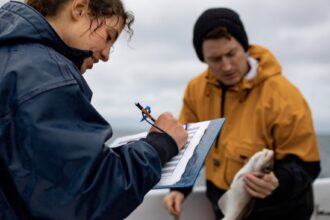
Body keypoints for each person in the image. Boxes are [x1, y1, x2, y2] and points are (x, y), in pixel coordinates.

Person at [0, 0, 188, 219]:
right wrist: (160, 144)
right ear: (79, 9)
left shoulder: (11, 58)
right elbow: (87, 196)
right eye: (108, 36)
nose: (106, 55)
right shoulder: (46, 77)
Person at [163, 7, 321, 220]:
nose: (227, 66)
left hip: (279, 209)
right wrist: (179, 190)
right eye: (215, 59)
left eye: (231, 53)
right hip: (225, 206)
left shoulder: (284, 94)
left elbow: (307, 165)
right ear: (204, 60)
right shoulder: (196, 90)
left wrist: (277, 181)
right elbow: (189, 147)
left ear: (244, 47)